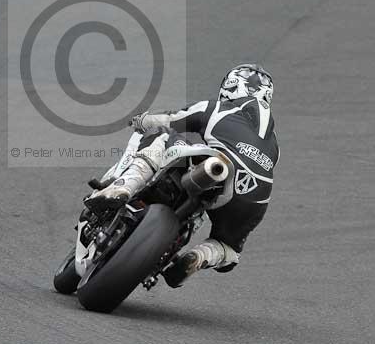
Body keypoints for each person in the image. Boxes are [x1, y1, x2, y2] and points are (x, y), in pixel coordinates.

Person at [85, 64, 279, 287]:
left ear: (231, 86)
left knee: (159, 134)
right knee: (228, 248)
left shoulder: (217, 108)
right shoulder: (275, 145)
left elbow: (170, 119)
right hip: (254, 197)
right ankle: (200, 256)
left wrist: (139, 120)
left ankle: (123, 187)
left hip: (219, 165)